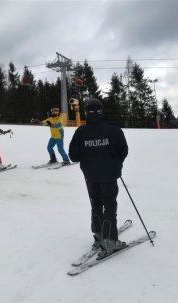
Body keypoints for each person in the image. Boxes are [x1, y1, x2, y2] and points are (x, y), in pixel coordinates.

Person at [68, 98, 128, 257]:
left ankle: (99, 233)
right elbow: (123, 151)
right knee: (109, 203)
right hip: (109, 174)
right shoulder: (113, 130)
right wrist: (115, 163)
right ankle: (109, 241)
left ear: (86, 113)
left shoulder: (81, 131)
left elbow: (74, 156)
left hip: (91, 175)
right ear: (101, 111)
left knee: (96, 202)